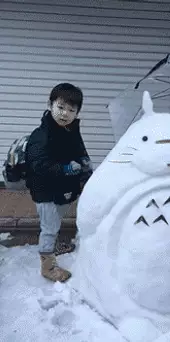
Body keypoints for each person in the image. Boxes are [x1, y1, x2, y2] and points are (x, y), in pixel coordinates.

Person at [25, 83, 93, 282]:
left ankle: (53, 245)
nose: (65, 113)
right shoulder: (41, 135)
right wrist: (65, 169)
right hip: (46, 192)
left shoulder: (71, 130)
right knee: (49, 227)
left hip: (65, 190)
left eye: (71, 110)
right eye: (61, 107)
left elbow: (79, 151)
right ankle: (48, 266)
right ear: (50, 105)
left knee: (57, 219)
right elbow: (38, 165)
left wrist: (86, 166)